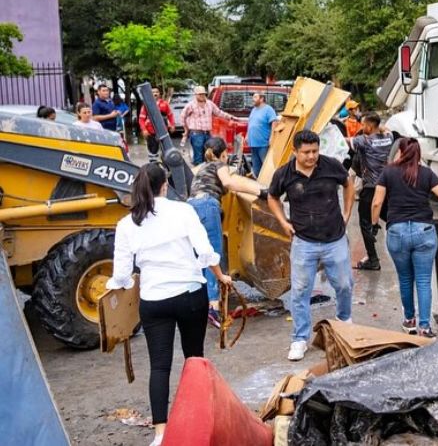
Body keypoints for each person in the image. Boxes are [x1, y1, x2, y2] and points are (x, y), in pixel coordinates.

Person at [105, 163, 232, 446]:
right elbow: (205, 251)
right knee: (194, 360)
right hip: (189, 295)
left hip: (154, 301)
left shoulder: (127, 224)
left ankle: (160, 434)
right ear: (165, 185)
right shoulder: (183, 211)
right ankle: (197, 423)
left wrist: (117, 287)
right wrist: (222, 276)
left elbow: (122, 275)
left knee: (159, 367)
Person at [267, 130, 355, 361]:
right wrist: (283, 222)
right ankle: (299, 339)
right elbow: (272, 197)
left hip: (334, 238)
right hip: (304, 242)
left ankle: (345, 321)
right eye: (306, 152)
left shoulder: (331, 166)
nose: (312, 156)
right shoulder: (284, 174)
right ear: (295, 151)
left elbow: (348, 184)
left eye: (315, 151)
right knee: (300, 291)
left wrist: (347, 213)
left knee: (344, 284)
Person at [371, 138, 438, 337]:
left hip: (397, 232)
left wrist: (374, 225)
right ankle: (424, 327)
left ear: (400, 151)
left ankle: (409, 321)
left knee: (405, 278)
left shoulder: (388, 172)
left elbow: (376, 203)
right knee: (424, 280)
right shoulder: (426, 173)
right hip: (424, 232)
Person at [189, 136, 269, 327]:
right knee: (213, 257)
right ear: (223, 153)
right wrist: (261, 191)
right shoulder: (219, 165)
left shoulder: (201, 168)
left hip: (191, 207)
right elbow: (228, 183)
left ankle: (201, 304)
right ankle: (214, 308)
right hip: (208, 205)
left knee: (199, 257)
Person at [350, 112, 395, 271]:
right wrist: (380, 127)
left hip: (370, 189)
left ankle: (373, 259)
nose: (362, 128)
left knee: (365, 223)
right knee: (390, 217)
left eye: (363, 125)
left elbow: (343, 143)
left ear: (369, 126)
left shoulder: (363, 141)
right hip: (386, 187)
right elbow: (387, 130)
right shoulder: (388, 138)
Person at [181, 85, 237, 165]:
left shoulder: (210, 104)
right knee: (198, 157)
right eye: (200, 94)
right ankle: (199, 175)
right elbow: (183, 116)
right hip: (196, 134)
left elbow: (219, 112)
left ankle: (208, 174)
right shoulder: (190, 105)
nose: (202, 96)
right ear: (196, 95)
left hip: (207, 133)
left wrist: (230, 117)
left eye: (203, 94)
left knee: (209, 155)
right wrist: (186, 130)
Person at [138, 87, 176, 164]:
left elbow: (170, 116)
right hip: (150, 132)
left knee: (166, 150)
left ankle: (167, 166)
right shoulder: (146, 105)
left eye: (157, 92)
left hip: (163, 132)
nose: (155, 94)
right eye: (153, 92)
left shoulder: (164, 104)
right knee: (153, 151)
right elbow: (141, 119)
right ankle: (153, 166)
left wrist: (172, 125)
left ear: (159, 94)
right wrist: (144, 130)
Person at [247, 92, 279, 177]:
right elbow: (250, 123)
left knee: (266, 167)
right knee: (256, 168)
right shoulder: (253, 110)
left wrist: (272, 136)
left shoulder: (268, 109)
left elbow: (274, 122)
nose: (252, 99)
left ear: (261, 99)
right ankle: (259, 185)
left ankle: (269, 185)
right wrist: (247, 136)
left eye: (255, 97)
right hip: (253, 144)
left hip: (263, 144)